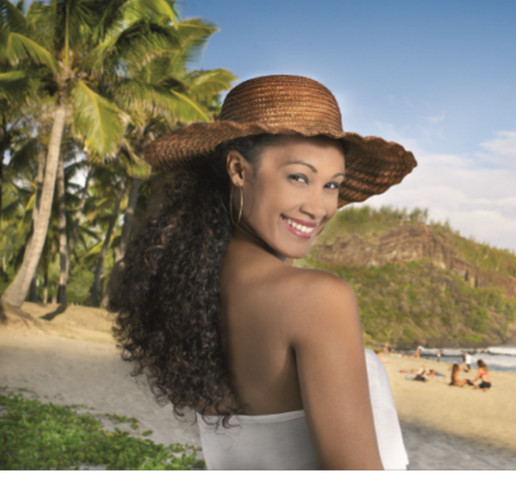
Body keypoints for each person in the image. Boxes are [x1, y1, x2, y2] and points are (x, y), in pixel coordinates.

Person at [109, 75, 416, 469]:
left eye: (332, 185)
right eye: (299, 177)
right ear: (238, 169)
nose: (318, 208)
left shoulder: (192, 293)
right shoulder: (318, 299)